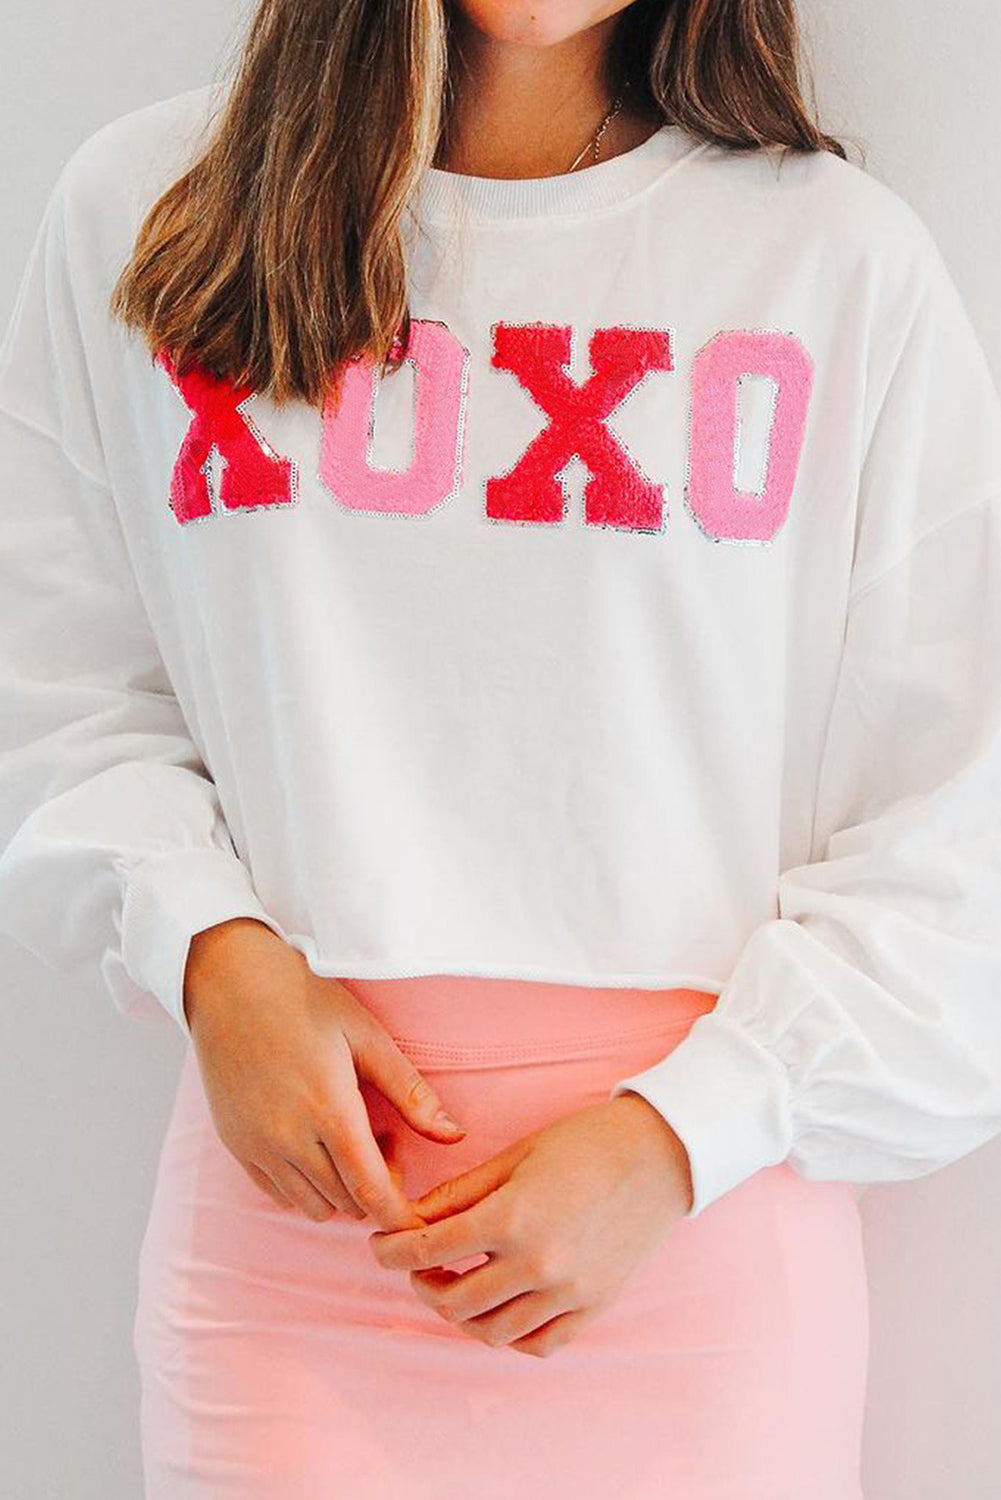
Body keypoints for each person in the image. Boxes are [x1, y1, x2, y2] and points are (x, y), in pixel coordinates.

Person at [2, 1, 1001, 1495]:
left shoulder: (835, 264)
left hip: (691, 1251)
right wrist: (210, 949)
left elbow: (960, 821)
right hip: (295, 1257)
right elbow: (54, 686)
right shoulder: (155, 214)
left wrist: (679, 1136)